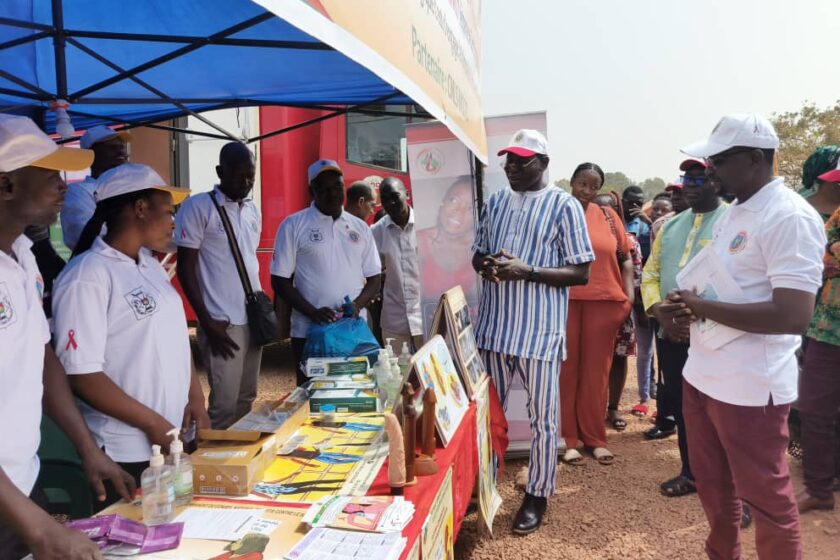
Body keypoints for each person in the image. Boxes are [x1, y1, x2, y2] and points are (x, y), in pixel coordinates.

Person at [673, 113, 825, 559]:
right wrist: (682, 307)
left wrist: (701, 307)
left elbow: (794, 314)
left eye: (717, 161)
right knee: (715, 492)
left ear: (755, 159)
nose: (710, 170)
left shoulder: (789, 217)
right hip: (703, 373)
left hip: (750, 388)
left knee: (767, 502)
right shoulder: (737, 209)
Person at [0, 113, 134, 560]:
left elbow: (43, 360)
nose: (64, 184)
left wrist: (85, 448)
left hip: (20, 486)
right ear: (6, 186)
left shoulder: (23, 257)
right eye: (50, 173)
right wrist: (39, 531)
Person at [53, 163, 209, 501]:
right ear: (140, 209)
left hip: (171, 438)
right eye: (169, 212)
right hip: (127, 451)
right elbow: (82, 374)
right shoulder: (88, 275)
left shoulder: (149, 265)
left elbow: (174, 338)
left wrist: (195, 398)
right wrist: (152, 424)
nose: (174, 222)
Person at [472, 129, 593, 534]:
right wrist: (488, 264)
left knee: (543, 420)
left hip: (538, 333)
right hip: (492, 329)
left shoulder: (564, 207)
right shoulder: (496, 202)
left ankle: (537, 493)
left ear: (542, 163)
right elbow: (477, 253)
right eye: (507, 160)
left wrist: (529, 271)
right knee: (487, 416)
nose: (510, 167)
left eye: (520, 161)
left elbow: (580, 272)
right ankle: (483, 484)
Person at [640, 158, 728, 499]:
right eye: (686, 178)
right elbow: (650, 273)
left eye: (699, 177)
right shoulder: (670, 226)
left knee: (722, 407)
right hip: (670, 333)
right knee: (681, 403)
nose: (690, 184)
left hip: (716, 334)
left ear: (716, 181)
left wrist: (697, 316)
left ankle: (731, 487)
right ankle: (690, 472)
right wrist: (659, 310)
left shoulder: (732, 222)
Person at [175, 142, 263, 429]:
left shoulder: (252, 211)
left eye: (251, 176)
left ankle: (235, 464)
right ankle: (209, 468)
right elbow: (186, 268)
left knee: (246, 398)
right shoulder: (199, 207)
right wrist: (206, 320)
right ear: (220, 172)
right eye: (240, 176)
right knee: (223, 406)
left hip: (253, 318)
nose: (247, 183)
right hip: (222, 322)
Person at [271, 159, 382, 386]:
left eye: (338, 187)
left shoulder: (360, 227)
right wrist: (312, 312)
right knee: (311, 398)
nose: (333, 194)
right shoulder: (293, 225)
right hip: (309, 333)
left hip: (352, 333)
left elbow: (375, 278)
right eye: (325, 188)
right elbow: (280, 280)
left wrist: (358, 305)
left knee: (354, 394)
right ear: (312, 190)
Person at [562, 163, 633, 467]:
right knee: (565, 372)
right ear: (572, 183)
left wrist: (628, 299)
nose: (587, 191)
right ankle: (566, 439)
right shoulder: (558, 211)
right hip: (564, 300)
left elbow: (626, 258)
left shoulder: (608, 215)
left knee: (597, 373)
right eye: (582, 184)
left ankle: (594, 439)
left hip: (604, 303)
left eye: (593, 186)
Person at [797, 156, 840, 513]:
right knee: (814, 409)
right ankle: (819, 488)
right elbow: (819, 261)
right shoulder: (835, 219)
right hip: (826, 328)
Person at [593, 191, 642, 432]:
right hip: (590, 310)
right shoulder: (583, 238)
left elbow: (635, 279)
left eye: (609, 211)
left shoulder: (630, 242)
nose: (604, 215)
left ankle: (613, 408)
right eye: (598, 210)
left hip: (620, 309)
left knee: (618, 358)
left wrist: (624, 307)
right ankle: (592, 410)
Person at [371, 177, 423, 351]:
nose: (391, 203)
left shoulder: (427, 224)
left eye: (395, 196)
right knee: (398, 376)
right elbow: (370, 271)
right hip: (394, 320)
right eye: (385, 199)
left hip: (426, 317)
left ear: (406, 194)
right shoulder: (376, 232)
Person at [60, 125, 130, 251]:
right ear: (90, 154)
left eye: (122, 147)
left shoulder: (132, 189)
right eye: (112, 148)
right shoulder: (78, 191)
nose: (121, 152)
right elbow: (85, 237)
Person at [417, 176, 479, 316]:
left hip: (466, 329)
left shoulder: (479, 246)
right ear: (442, 203)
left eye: (469, 208)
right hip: (429, 328)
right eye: (454, 200)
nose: (458, 211)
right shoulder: (421, 241)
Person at [622, 185, 652, 260]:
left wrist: (649, 222)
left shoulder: (645, 225)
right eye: (631, 203)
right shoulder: (613, 221)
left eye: (639, 204)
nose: (634, 207)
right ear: (622, 202)